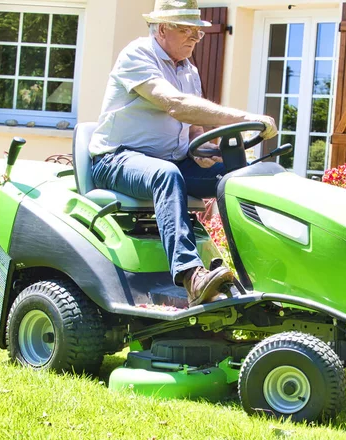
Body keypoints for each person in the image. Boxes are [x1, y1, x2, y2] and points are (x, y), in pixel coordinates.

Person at [89, 0, 277, 307]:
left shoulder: (189, 70)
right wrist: (244, 118)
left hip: (171, 160)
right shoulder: (137, 55)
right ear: (162, 29)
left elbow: (192, 132)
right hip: (116, 159)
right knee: (166, 174)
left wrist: (208, 152)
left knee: (236, 180)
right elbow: (174, 104)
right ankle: (191, 276)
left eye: (198, 32)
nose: (194, 38)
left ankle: (260, 270)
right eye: (186, 30)